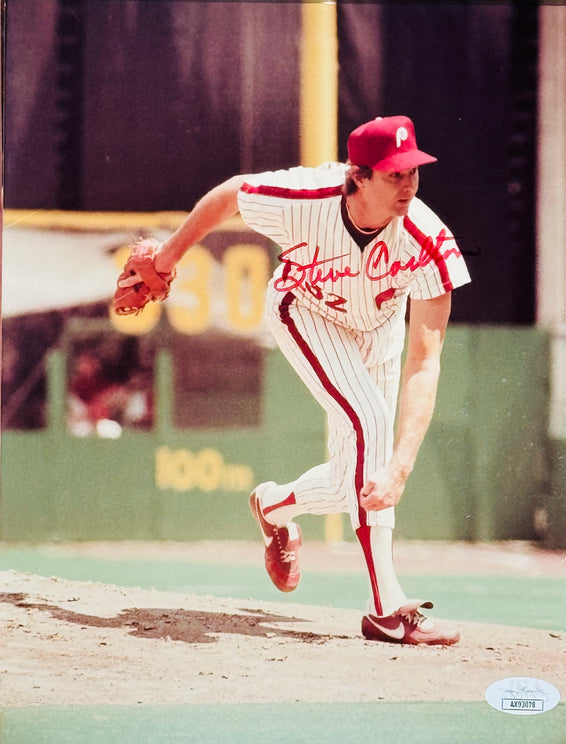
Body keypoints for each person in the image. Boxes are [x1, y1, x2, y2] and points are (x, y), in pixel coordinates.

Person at [135, 115, 471, 644]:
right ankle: (385, 608)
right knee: (370, 422)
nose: (408, 185)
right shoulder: (304, 197)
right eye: (394, 174)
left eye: (414, 172)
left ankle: (273, 504)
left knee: (355, 481)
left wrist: (400, 468)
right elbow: (229, 195)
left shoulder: (427, 241)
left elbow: (425, 363)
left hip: (379, 334)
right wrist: (167, 258)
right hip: (306, 313)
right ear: (358, 176)